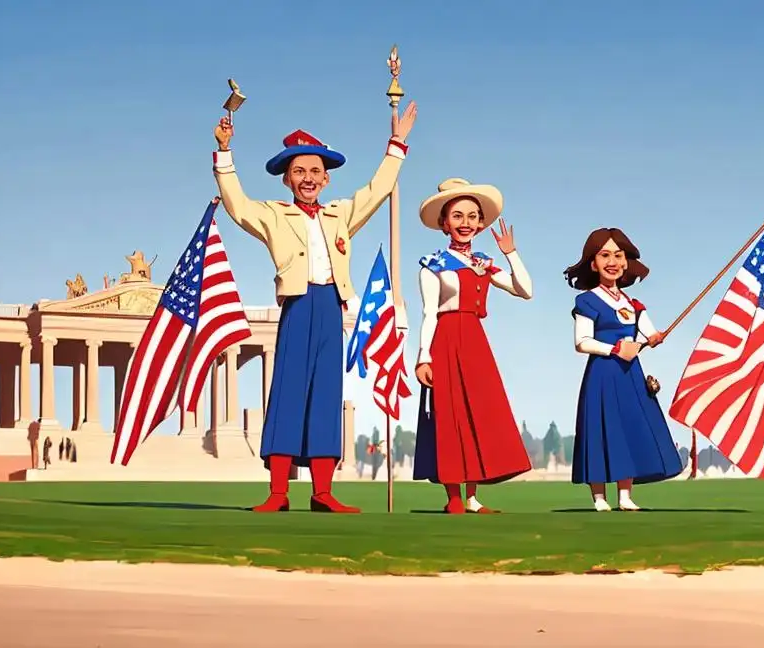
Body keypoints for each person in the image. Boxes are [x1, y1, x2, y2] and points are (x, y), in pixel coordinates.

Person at [212, 100, 418, 514]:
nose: (308, 178)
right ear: (287, 178)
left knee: (327, 395)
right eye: (300, 171)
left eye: (315, 171)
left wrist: (396, 144)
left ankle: (323, 492)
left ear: (326, 178)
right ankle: (278, 492)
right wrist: (224, 153)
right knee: (289, 393)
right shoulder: (274, 215)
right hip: (298, 304)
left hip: (331, 305)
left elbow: (378, 190)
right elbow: (237, 205)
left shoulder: (340, 214)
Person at [412, 179, 532, 514]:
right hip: (447, 340)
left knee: (477, 412)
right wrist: (423, 356)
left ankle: (473, 497)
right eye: (458, 216)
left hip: (476, 341)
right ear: (444, 223)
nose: (465, 223)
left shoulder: (482, 262)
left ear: (480, 223)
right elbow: (429, 312)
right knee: (449, 415)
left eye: (472, 216)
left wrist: (511, 254)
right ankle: (453, 498)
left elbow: (525, 290)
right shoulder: (432, 264)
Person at [567, 228, 682, 511]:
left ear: (626, 262)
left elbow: (648, 334)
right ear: (593, 263)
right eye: (605, 255)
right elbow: (581, 342)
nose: (613, 262)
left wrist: (652, 339)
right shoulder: (587, 300)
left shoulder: (633, 304)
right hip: (603, 374)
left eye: (618, 255)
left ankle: (625, 495)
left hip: (630, 374)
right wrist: (615, 349)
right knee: (601, 429)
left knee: (627, 429)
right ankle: (598, 497)